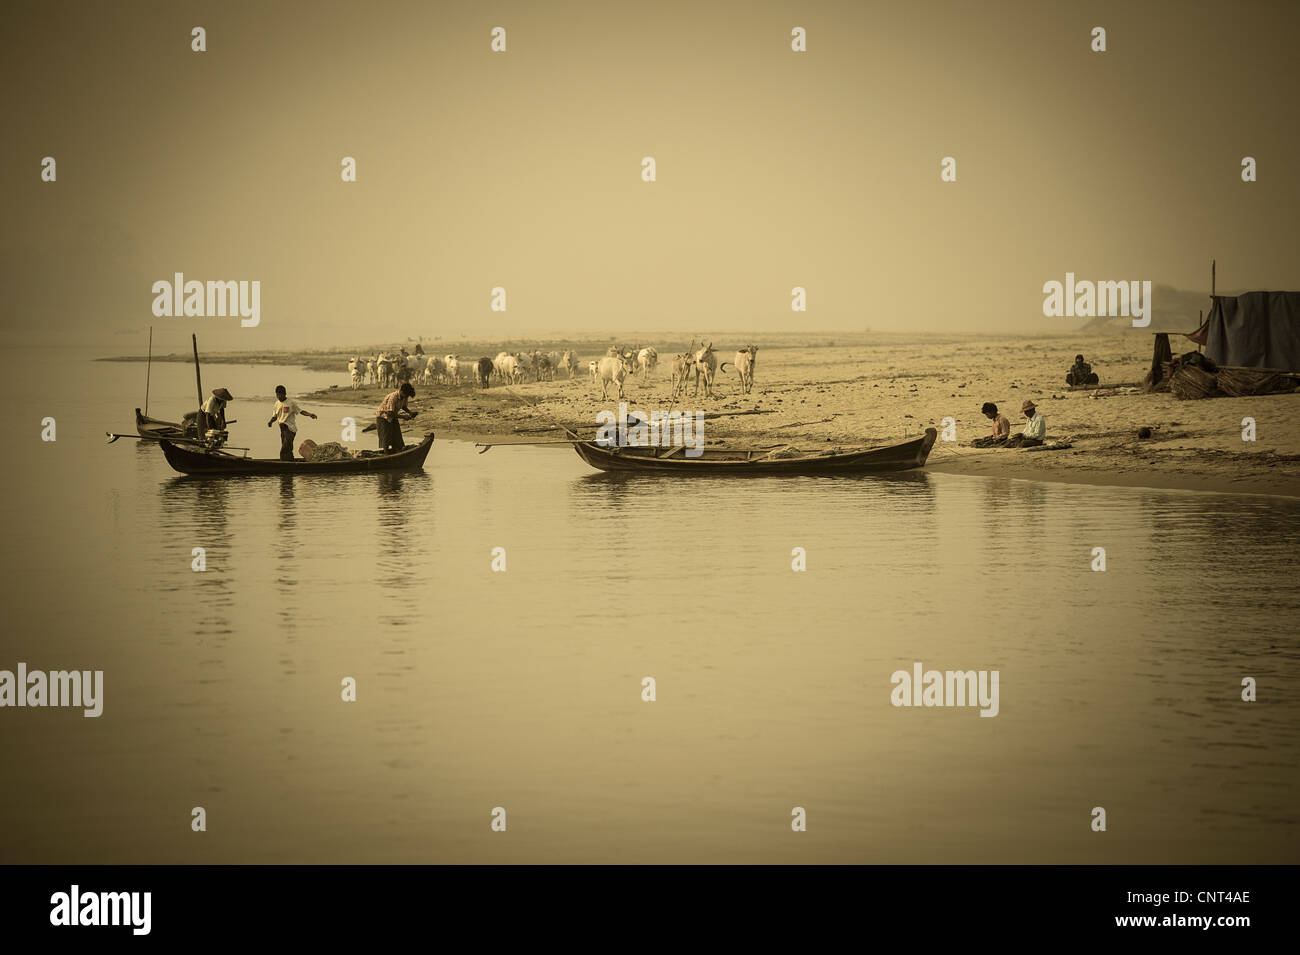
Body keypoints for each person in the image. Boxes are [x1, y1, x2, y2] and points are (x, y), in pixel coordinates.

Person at [267, 385, 318, 461]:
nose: (279, 397)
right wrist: (270, 422)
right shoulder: (277, 404)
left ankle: (284, 463)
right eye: (277, 395)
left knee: (284, 448)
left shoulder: (291, 403)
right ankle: (290, 461)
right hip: (282, 429)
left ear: (285, 394)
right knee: (288, 448)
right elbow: (275, 416)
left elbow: (300, 411)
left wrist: (310, 414)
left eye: (280, 395)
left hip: (290, 429)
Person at [376, 382, 417, 451]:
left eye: (407, 396)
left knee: (397, 436)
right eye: (405, 395)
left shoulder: (404, 396)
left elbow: (404, 406)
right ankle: (387, 454)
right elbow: (389, 413)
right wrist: (404, 417)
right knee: (386, 437)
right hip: (383, 417)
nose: (406, 397)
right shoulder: (393, 397)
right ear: (401, 391)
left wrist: (410, 413)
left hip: (392, 416)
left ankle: (396, 450)